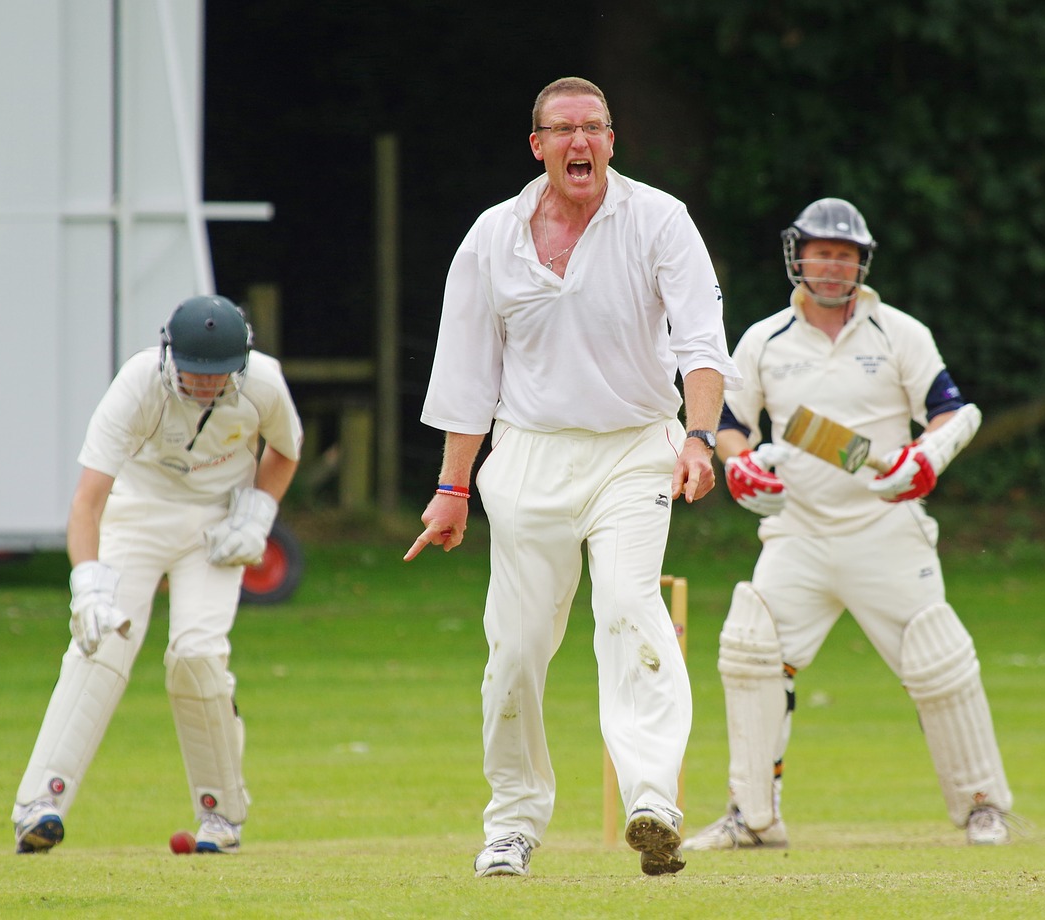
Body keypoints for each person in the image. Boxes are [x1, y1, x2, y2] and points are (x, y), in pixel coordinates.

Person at [403, 76, 741, 877]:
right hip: (528, 456)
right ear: (538, 146)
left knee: (629, 609)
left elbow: (700, 341)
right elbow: (464, 374)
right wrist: (453, 490)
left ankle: (653, 800)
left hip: (634, 446)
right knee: (516, 649)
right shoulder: (492, 237)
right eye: (563, 130)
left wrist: (699, 437)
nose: (580, 143)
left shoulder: (658, 220)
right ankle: (512, 825)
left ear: (612, 141)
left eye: (594, 128)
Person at [682, 198, 1013, 852]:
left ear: (861, 262)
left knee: (938, 659)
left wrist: (927, 456)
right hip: (798, 533)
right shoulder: (764, 340)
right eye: (820, 252)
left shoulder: (900, 334)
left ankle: (983, 806)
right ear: (797, 256)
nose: (831, 266)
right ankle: (752, 817)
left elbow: (949, 411)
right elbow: (729, 422)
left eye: (844, 254)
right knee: (752, 651)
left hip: (886, 529)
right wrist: (741, 466)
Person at [12, 295, 302, 855]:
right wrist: (88, 583)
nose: (203, 386)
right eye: (193, 373)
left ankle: (221, 818)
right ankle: (38, 806)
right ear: (172, 355)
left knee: (197, 656)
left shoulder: (264, 382)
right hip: (137, 513)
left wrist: (257, 511)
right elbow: (87, 502)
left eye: (217, 377)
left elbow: (286, 451)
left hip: (214, 527)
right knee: (102, 643)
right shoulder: (138, 384)